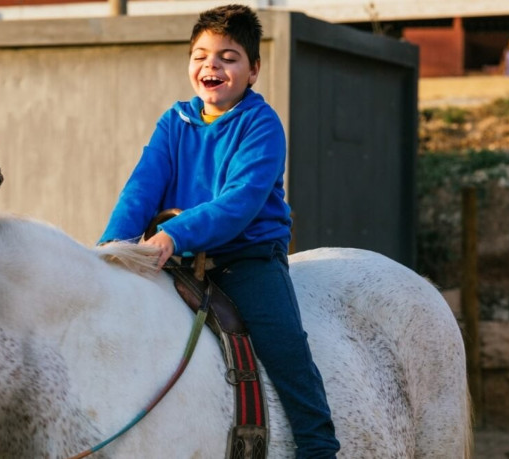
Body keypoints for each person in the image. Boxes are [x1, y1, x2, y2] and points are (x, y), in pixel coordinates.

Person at [98, 5, 340, 457]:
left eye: (228, 57)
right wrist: (113, 247)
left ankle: (317, 441)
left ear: (254, 71)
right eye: (200, 55)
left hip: (244, 258)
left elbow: (238, 203)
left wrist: (174, 235)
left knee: (284, 345)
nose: (211, 65)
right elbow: (141, 188)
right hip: (178, 257)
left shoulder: (261, 125)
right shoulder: (175, 121)